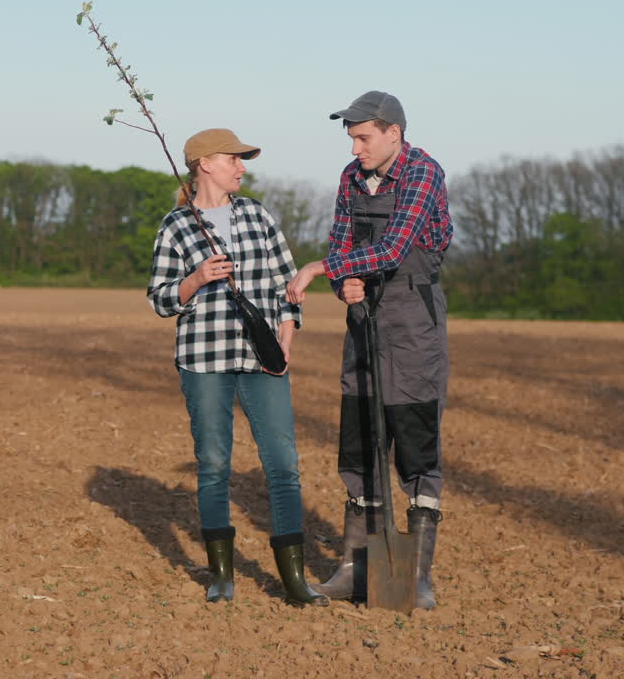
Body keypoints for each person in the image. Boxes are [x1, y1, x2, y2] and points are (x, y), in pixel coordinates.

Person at [285, 91, 453, 609]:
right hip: (363, 321)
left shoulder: (423, 173)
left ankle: (415, 576)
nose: (355, 148)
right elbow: (343, 245)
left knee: (413, 434)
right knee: (359, 437)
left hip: (412, 320)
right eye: (352, 139)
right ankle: (355, 568)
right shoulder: (349, 178)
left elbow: (395, 248)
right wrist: (344, 286)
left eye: (363, 138)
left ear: (393, 134)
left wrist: (321, 270)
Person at [148, 128, 327, 606]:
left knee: (284, 466)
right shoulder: (176, 226)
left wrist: (286, 336)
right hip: (203, 359)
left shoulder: (257, 215)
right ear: (205, 163)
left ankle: (294, 580)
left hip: (263, 359)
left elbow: (286, 282)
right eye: (234, 159)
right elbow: (161, 300)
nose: (242, 167)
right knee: (213, 466)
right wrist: (196, 279)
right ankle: (222, 576)